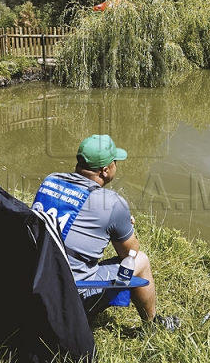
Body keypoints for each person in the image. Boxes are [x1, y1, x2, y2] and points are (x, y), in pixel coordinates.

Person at [32, 134, 180, 331]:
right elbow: (130, 254)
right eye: (115, 162)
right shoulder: (111, 203)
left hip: (34, 282)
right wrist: (122, 227)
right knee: (141, 261)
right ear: (106, 170)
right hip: (66, 301)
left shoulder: (50, 180)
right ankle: (152, 326)